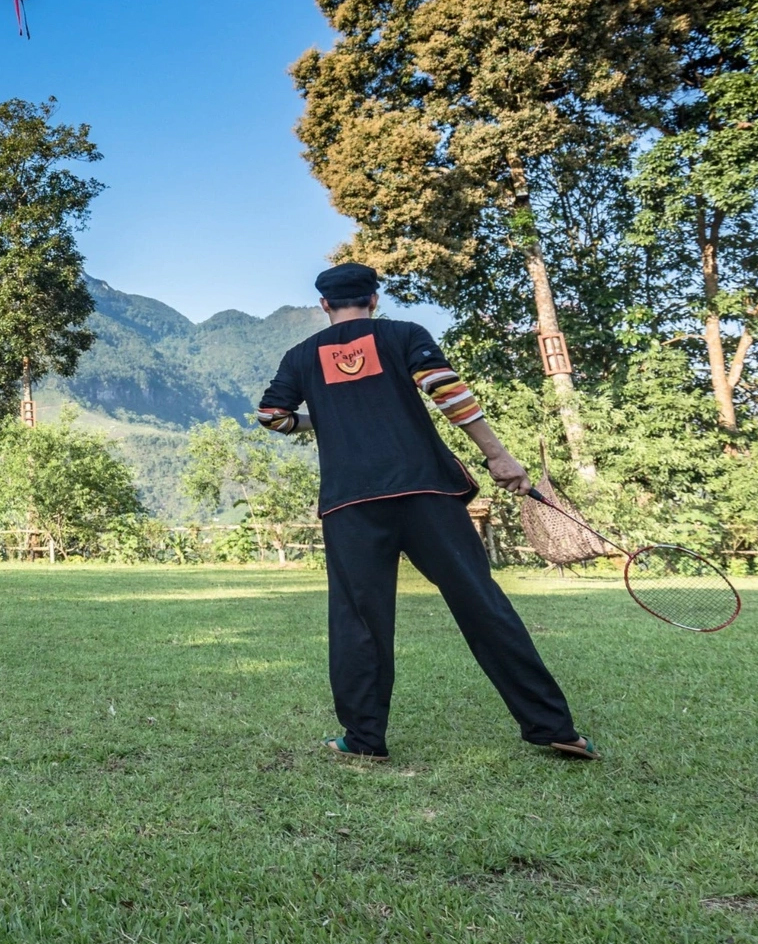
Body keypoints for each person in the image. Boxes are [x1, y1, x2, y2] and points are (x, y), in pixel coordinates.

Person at [256, 263, 597, 762]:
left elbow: (273, 417)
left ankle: (365, 740)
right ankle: (553, 727)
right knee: (483, 604)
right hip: (426, 493)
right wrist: (498, 455)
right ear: (374, 299)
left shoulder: (302, 355)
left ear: (324, 306)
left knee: (359, 622)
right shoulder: (402, 335)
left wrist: (323, 416)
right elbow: (448, 393)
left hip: (351, 504)